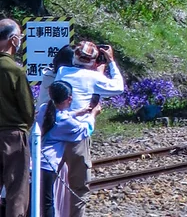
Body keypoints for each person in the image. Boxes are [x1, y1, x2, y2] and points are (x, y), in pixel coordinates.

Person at [53, 41, 123, 217]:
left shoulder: (61, 72)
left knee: (51, 182)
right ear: (93, 61)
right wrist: (111, 62)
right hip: (78, 135)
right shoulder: (93, 78)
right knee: (79, 186)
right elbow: (118, 87)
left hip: (54, 134)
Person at [36, 82, 95, 217]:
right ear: (69, 98)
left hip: (33, 161)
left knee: (35, 198)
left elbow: (59, 118)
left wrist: (76, 113)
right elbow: (86, 130)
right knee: (47, 203)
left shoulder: (45, 108)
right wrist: (93, 114)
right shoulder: (65, 121)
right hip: (47, 165)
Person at [0, 19, 34, 217]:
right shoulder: (14, 70)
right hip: (13, 135)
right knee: (16, 191)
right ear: (13, 40)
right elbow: (27, 109)